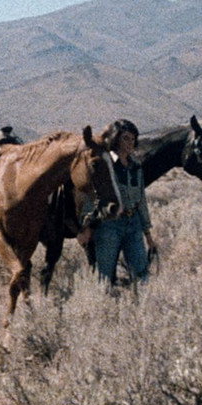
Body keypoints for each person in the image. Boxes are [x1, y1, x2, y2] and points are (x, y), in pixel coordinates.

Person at [77, 119, 156, 285]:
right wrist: (86, 227)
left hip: (133, 223)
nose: (130, 143)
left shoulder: (136, 167)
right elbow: (92, 195)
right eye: (126, 138)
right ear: (116, 138)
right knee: (104, 276)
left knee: (142, 274)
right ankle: (103, 308)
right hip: (108, 225)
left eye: (133, 139)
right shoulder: (106, 164)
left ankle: (142, 307)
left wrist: (148, 234)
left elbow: (141, 200)